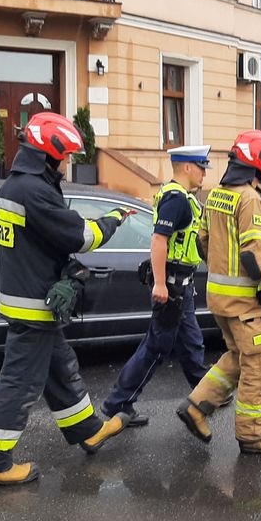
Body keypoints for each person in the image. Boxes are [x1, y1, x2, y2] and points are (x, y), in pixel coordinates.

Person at [0, 112, 134, 487]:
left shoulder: (18, 186)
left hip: (28, 297)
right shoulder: (34, 191)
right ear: (51, 154)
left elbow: (38, 243)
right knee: (20, 382)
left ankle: (87, 430)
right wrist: (113, 219)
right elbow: (81, 237)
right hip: (33, 304)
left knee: (60, 368)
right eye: (66, 157)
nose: (67, 164)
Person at [176, 129, 261, 456]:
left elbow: (202, 242)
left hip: (219, 298)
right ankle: (254, 437)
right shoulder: (250, 198)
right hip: (246, 304)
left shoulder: (215, 194)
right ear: (258, 165)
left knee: (237, 358)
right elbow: (253, 253)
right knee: (256, 366)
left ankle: (197, 406)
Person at [99, 145, 212, 429]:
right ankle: (118, 403)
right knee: (156, 348)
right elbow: (159, 241)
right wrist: (160, 283)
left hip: (181, 287)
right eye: (201, 167)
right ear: (187, 167)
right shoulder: (176, 199)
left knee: (191, 342)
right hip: (171, 287)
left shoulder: (181, 196)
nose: (204, 173)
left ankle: (207, 394)